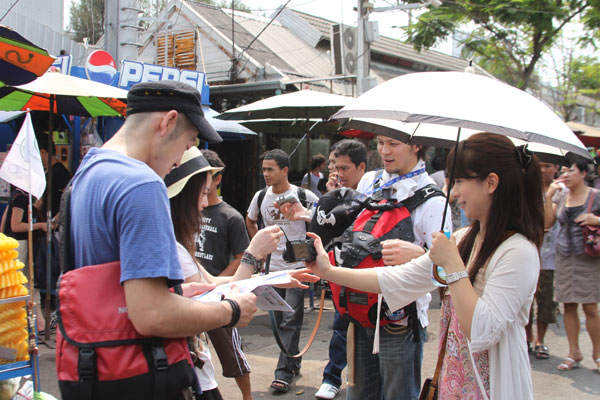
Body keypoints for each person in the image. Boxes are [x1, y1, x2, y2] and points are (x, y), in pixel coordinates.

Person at [306, 132, 544, 399]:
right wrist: (328, 272)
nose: (454, 194)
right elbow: (398, 279)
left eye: (461, 182)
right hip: (453, 383)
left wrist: (452, 265)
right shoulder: (465, 239)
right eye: (381, 143)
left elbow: (481, 331)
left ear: (491, 183)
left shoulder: (518, 252)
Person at [67, 81, 257, 398]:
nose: (180, 158)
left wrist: (179, 292)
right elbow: (152, 315)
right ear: (168, 121)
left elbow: (108, 288)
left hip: (95, 370)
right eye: (188, 143)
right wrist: (232, 311)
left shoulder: (86, 172)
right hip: (139, 375)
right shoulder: (141, 183)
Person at [166, 147, 315, 398]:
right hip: (185, 368)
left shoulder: (179, 243)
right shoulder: (170, 247)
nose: (205, 204)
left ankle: (284, 371)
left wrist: (274, 278)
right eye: (202, 194)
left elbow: (211, 282)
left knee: (289, 323)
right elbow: (217, 294)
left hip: (194, 367)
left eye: (207, 193)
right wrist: (253, 254)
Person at [245, 149, 319, 393]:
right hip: (271, 269)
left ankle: (283, 373)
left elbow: (322, 221)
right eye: (263, 169)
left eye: (270, 169)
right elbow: (250, 219)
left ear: (285, 170)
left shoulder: (303, 195)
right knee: (277, 322)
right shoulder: (260, 197)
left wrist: (304, 216)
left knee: (291, 320)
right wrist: (259, 246)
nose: (265, 174)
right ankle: (294, 360)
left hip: (298, 268)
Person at [197, 149, 253, 400]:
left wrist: (217, 282)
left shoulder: (230, 216)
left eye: (209, 176)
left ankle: (247, 397)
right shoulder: (184, 209)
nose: (204, 182)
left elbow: (242, 257)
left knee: (232, 355)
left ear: (218, 179)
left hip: (216, 294)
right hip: (188, 293)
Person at [316, 139, 367, 399]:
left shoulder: (373, 193)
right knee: (340, 324)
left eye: (344, 168)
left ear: (361, 167)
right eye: (335, 166)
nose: (338, 173)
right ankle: (332, 377)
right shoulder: (334, 194)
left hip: (368, 277)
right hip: (339, 272)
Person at [545, 160, 600, 372]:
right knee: (568, 304)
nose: (566, 175)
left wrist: (595, 219)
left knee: (590, 307)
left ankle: (597, 354)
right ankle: (573, 352)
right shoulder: (559, 194)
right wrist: (548, 196)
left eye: (572, 171)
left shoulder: (595, 195)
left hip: (588, 256)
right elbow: (548, 223)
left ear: (584, 173)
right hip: (564, 255)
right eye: (564, 171)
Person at [525, 162, 562, 359]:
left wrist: (548, 197)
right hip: (529, 253)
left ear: (556, 168)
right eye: (539, 166)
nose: (542, 170)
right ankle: (527, 338)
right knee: (526, 302)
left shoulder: (560, 190)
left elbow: (548, 222)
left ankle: (540, 340)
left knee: (546, 302)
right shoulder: (527, 189)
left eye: (547, 166)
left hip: (550, 257)